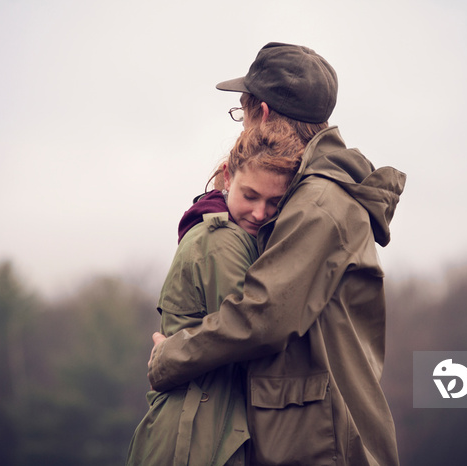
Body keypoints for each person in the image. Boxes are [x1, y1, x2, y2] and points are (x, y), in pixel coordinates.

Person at [148, 42, 406, 465]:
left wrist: (169, 356)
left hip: (325, 445)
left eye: (242, 112)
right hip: (314, 437)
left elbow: (264, 316)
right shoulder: (308, 195)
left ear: (261, 114)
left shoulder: (319, 204)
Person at [125, 120, 306, 466]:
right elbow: (255, 333)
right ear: (227, 176)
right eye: (249, 195)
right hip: (197, 434)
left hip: (204, 424)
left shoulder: (238, 234)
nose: (258, 212)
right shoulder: (222, 240)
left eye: (273, 202)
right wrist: (170, 356)